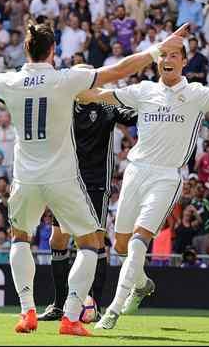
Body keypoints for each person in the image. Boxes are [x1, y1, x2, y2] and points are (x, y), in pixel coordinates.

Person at [0, 21, 185, 336]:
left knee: (20, 238)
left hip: (25, 178)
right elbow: (119, 69)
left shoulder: (11, 81)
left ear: (26, 50)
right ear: (53, 51)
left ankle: (27, 311)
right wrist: (157, 49)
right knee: (89, 243)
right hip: (62, 179)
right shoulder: (65, 80)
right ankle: (70, 317)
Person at [77, 43, 209, 330]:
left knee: (140, 241)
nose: (167, 59)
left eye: (174, 55)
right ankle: (140, 284)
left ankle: (113, 310)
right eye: (164, 55)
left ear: (184, 63)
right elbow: (99, 95)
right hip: (135, 171)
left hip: (166, 177)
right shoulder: (143, 90)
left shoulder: (195, 94)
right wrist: (66, 87)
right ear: (157, 61)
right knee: (122, 245)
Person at [38, 65, 137, 322]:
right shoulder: (64, 106)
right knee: (57, 241)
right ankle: (59, 305)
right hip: (66, 182)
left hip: (95, 183)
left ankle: (95, 305)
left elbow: (133, 115)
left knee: (95, 241)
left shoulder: (106, 106)